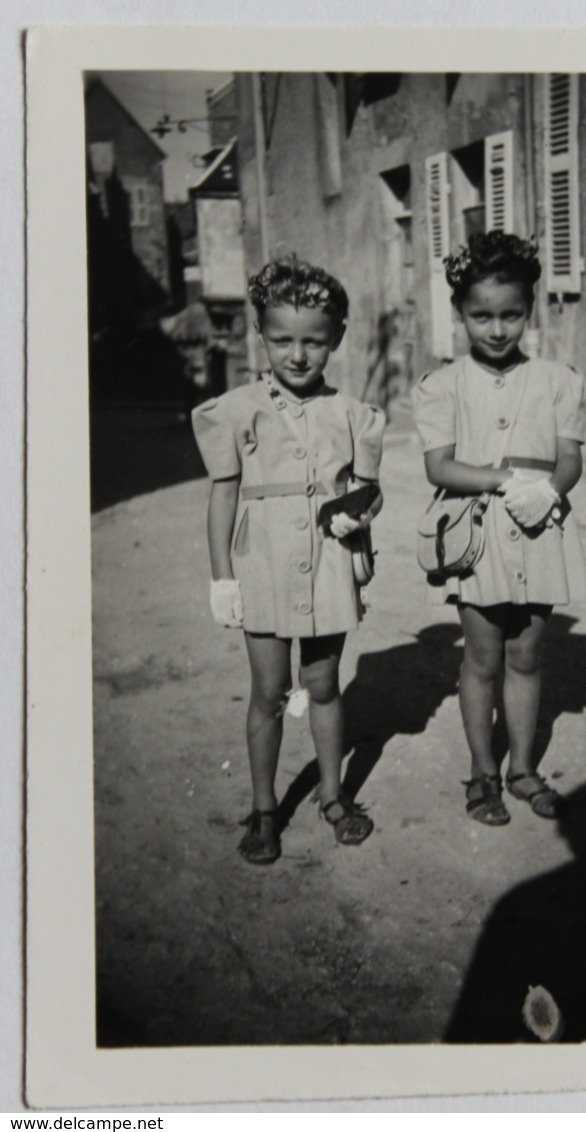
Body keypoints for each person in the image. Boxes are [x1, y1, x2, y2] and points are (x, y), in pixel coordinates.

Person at [192, 255, 385, 865]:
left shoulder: (353, 415)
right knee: (270, 690)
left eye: (312, 341)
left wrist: (362, 513)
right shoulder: (236, 407)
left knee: (324, 684)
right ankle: (265, 806)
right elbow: (223, 494)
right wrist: (222, 576)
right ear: (261, 336)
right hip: (264, 562)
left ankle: (332, 796)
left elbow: (368, 488)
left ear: (336, 340)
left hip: (329, 560)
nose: (297, 355)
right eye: (281, 340)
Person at [412, 231, 586, 827]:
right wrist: (500, 480)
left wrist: (549, 490)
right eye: (481, 316)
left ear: (530, 309)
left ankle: (523, 770)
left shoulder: (559, 381)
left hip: (541, 524)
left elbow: (570, 457)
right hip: (479, 529)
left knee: (527, 652)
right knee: (483, 656)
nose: (497, 330)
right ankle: (482, 771)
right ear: (460, 313)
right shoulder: (441, 387)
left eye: (511, 315)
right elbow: (438, 466)